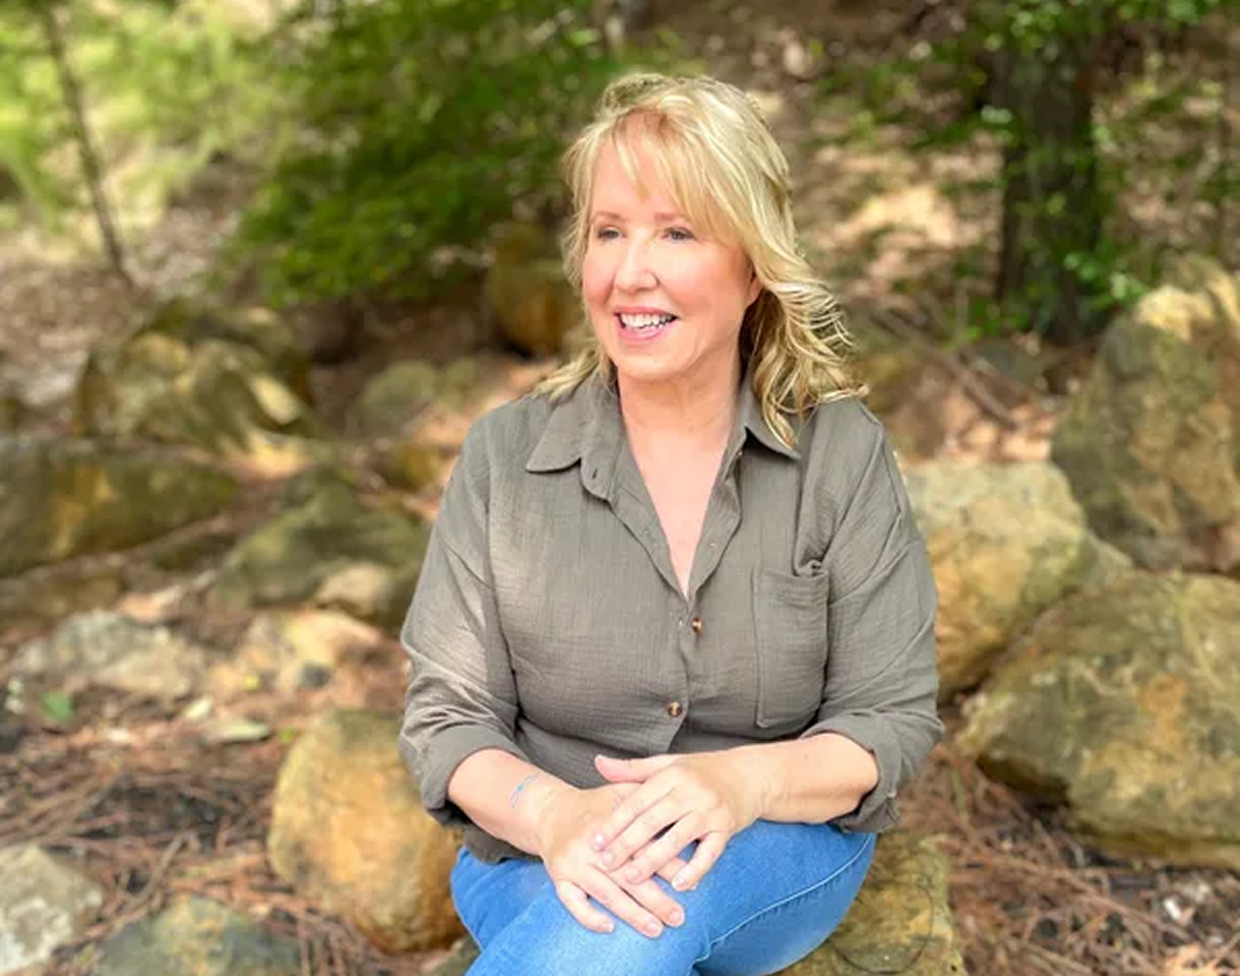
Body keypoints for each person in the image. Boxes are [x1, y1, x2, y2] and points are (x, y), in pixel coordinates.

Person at [398, 72, 942, 976]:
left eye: (677, 232)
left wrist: (742, 780)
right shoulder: (505, 458)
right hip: (533, 850)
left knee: (608, 937)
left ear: (755, 265)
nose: (628, 271)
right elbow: (448, 721)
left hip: (774, 842)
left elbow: (887, 721)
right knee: (601, 933)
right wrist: (556, 816)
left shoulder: (840, 456)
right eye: (609, 232)